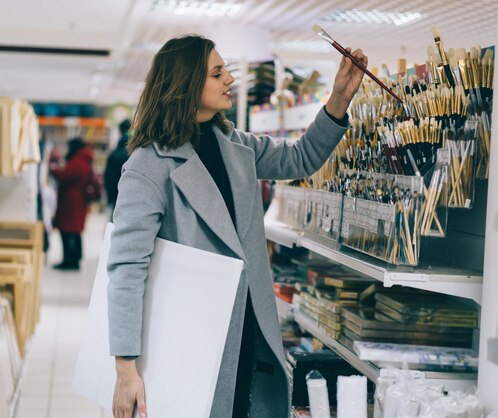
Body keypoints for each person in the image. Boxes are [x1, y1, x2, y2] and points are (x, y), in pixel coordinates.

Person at [107, 34, 367, 418]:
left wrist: (339, 99)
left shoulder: (236, 145)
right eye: (217, 72)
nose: (230, 78)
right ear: (186, 84)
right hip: (191, 338)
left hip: (248, 327)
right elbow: (127, 267)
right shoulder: (148, 166)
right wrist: (125, 366)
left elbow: (300, 158)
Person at [49, 137, 93, 270]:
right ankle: (75, 258)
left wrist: (53, 170)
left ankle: (69, 261)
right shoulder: (84, 159)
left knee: (68, 231)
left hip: (71, 202)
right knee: (75, 231)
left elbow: (64, 176)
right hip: (76, 201)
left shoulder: (78, 161)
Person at [104, 119, 132, 218]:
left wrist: (110, 198)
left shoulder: (114, 154)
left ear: (119, 131)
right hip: (133, 197)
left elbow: (108, 178)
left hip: (117, 197)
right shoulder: (137, 153)